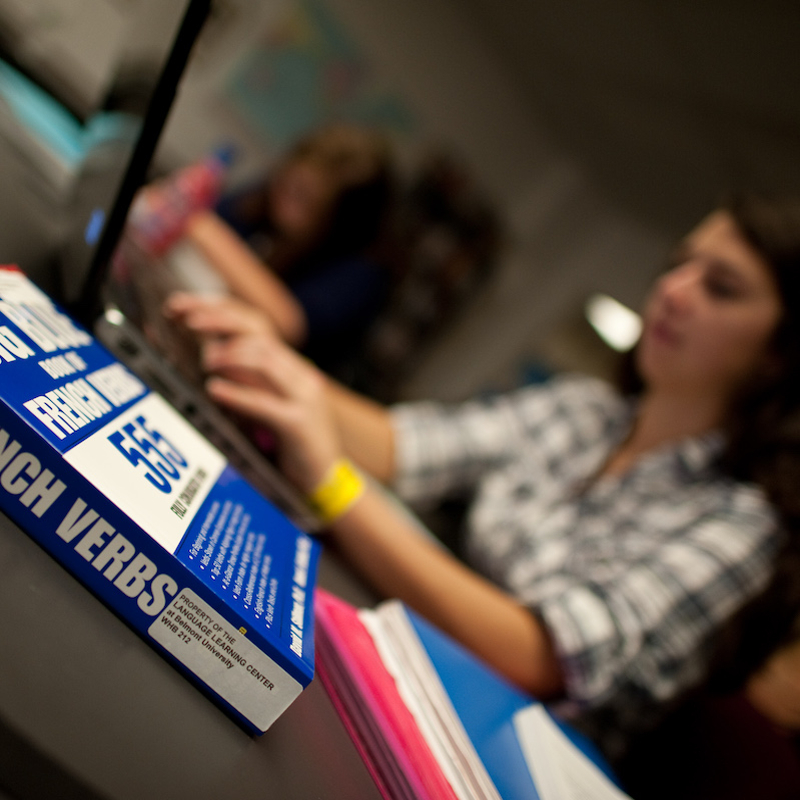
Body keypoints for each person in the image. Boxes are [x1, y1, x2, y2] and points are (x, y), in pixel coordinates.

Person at [164, 193, 800, 762]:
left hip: (485, 759)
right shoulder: (586, 412)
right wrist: (275, 362)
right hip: (406, 673)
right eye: (679, 264)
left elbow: (538, 657)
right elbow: (404, 446)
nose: (674, 289)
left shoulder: (742, 526)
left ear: (779, 355)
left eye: (720, 287)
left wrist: (335, 486)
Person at [183, 123, 397, 379]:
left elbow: (290, 323)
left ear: (344, 220)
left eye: (308, 200)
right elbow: (214, 219)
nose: (289, 198)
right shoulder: (268, 196)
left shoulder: (363, 271)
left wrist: (193, 219)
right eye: (289, 184)